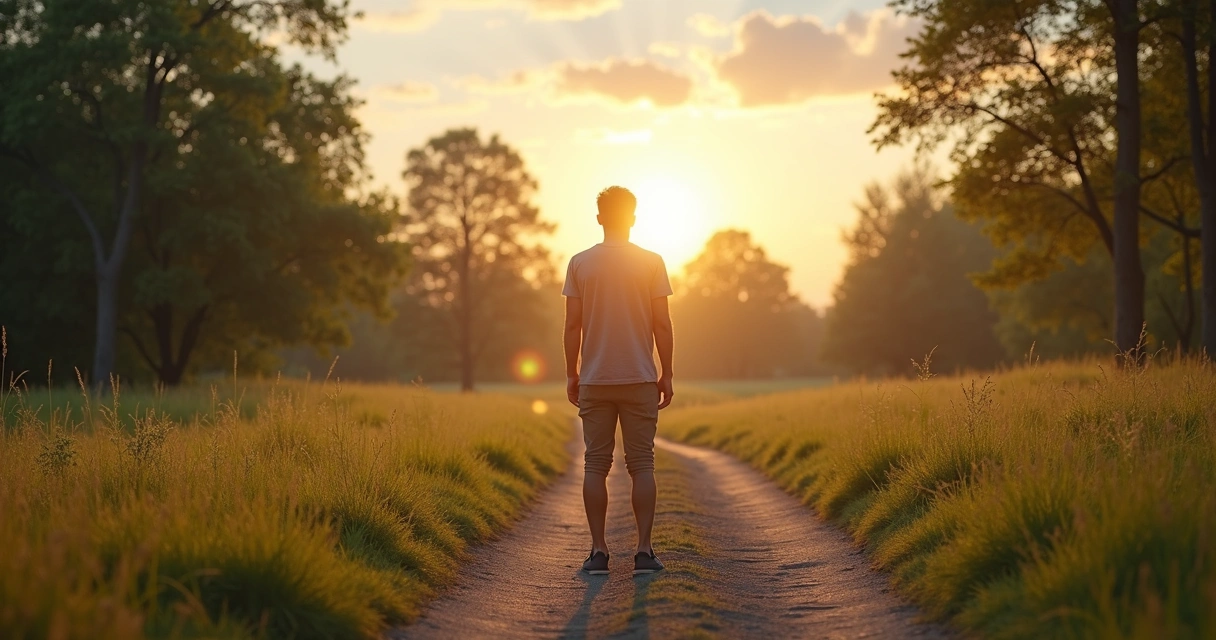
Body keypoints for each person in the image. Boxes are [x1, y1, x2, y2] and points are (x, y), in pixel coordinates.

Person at [562, 185, 675, 577]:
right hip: (640, 377)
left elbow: (572, 325)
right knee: (642, 464)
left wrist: (572, 373)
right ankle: (644, 552)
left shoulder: (579, 263)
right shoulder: (652, 262)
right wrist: (667, 373)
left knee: (596, 464)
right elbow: (662, 323)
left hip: (595, 379)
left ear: (599, 218)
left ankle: (598, 552)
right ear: (633, 218)